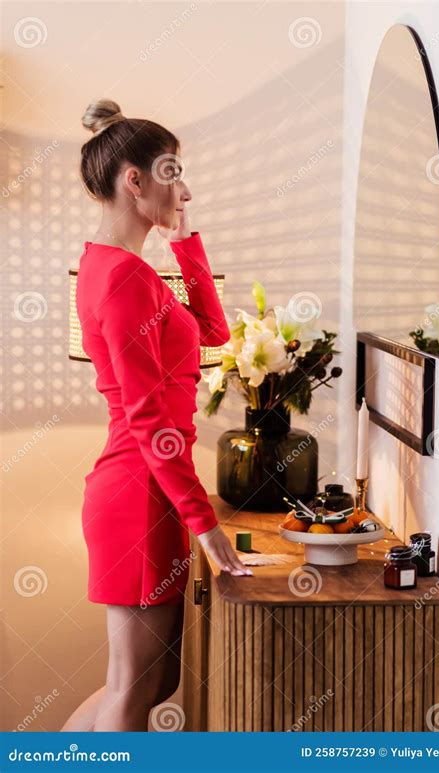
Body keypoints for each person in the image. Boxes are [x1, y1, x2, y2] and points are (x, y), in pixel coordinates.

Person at [60, 99, 252, 732]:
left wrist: (185, 238)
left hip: (149, 488)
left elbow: (214, 332)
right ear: (133, 181)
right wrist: (206, 526)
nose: (185, 187)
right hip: (137, 491)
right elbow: (147, 420)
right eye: (174, 172)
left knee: (150, 682)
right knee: (132, 689)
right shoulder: (119, 280)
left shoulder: (129, 270)